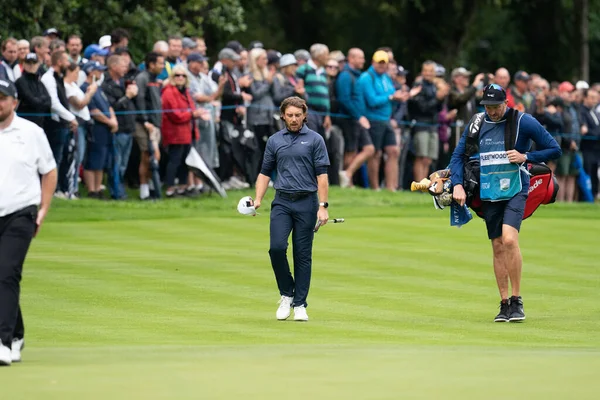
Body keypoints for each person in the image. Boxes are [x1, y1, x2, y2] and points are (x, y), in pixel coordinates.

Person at [449, 84, 561, 323]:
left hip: (515, 187)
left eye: (496, 106)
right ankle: (504, 304)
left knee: (509, 239)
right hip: (489, 191)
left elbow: (555, 149)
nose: (492, 111)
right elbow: (458, 156)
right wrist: (457, 184)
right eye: (488, 107)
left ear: (506, 103)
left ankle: (517, 299)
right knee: (498, 245)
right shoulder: (477, 123)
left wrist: (526, 157)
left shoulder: (523, 121)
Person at [251, 96, 330, 322]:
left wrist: (323, 206)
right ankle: (286, 293)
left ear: (304, 115)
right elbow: (265, 172)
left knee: (302, 255)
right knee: (276, 248)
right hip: (282, 201)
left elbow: (322, 176)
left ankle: (300, 304)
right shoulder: (275, 141)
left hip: (307, 202)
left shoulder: (315, 140)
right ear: (283, 116)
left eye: (298, 115)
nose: (294, 119)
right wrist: (258, 199)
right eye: (290, 115)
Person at [0, 78, 58, 366]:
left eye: (2, 98)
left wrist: (43, 208)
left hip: (21, 212)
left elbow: (49, 171)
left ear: (14, 102)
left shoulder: (31, 132)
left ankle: (2, 341)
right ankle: (17, 334)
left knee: (7, 272)